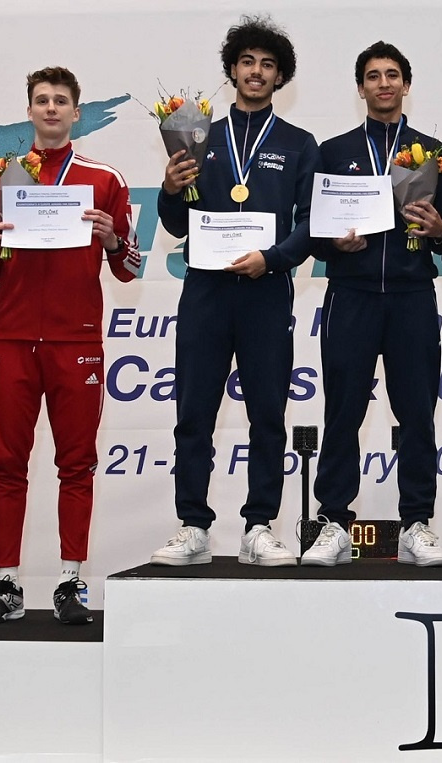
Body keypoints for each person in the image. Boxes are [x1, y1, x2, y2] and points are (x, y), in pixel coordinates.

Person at [0, 66, 139, 625]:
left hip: (76, 339)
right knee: (6, 464)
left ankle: (71, 581)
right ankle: (6, 583)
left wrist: (113, 238)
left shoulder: (105, 179)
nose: (50, 110)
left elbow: (131, 269)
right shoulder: (1, 180)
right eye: (41, 101)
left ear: (76, 113)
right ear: (29, 110)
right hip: (12, 337)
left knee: (76, 464)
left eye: (60, 101)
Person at [149, 15, 320, 567]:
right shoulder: (199, 133)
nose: (256, 71)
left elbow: (310, 222)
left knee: (267, 412)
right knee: (194, 410)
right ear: (231, 70)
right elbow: (177, 222)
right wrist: (172, 191)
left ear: (279, 78)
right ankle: (192, 525)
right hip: (205, 290)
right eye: (247, 62)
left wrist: (271, 259)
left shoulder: (299, 143)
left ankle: (259, 525)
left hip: (266, 290)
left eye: (267, 65)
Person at [300, 41, 442, 567]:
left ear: (406, 84)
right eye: (373, 76)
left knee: (417, 412)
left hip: (413, 296)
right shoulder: (334, 150)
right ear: (361, 87)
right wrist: (333, 245)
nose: (383, 83)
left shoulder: (434, 151)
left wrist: (440, 230)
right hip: (352, 295)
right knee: (342, 411)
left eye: (392, 75)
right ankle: (334, 522)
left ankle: (417, 523)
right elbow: (315, 233)